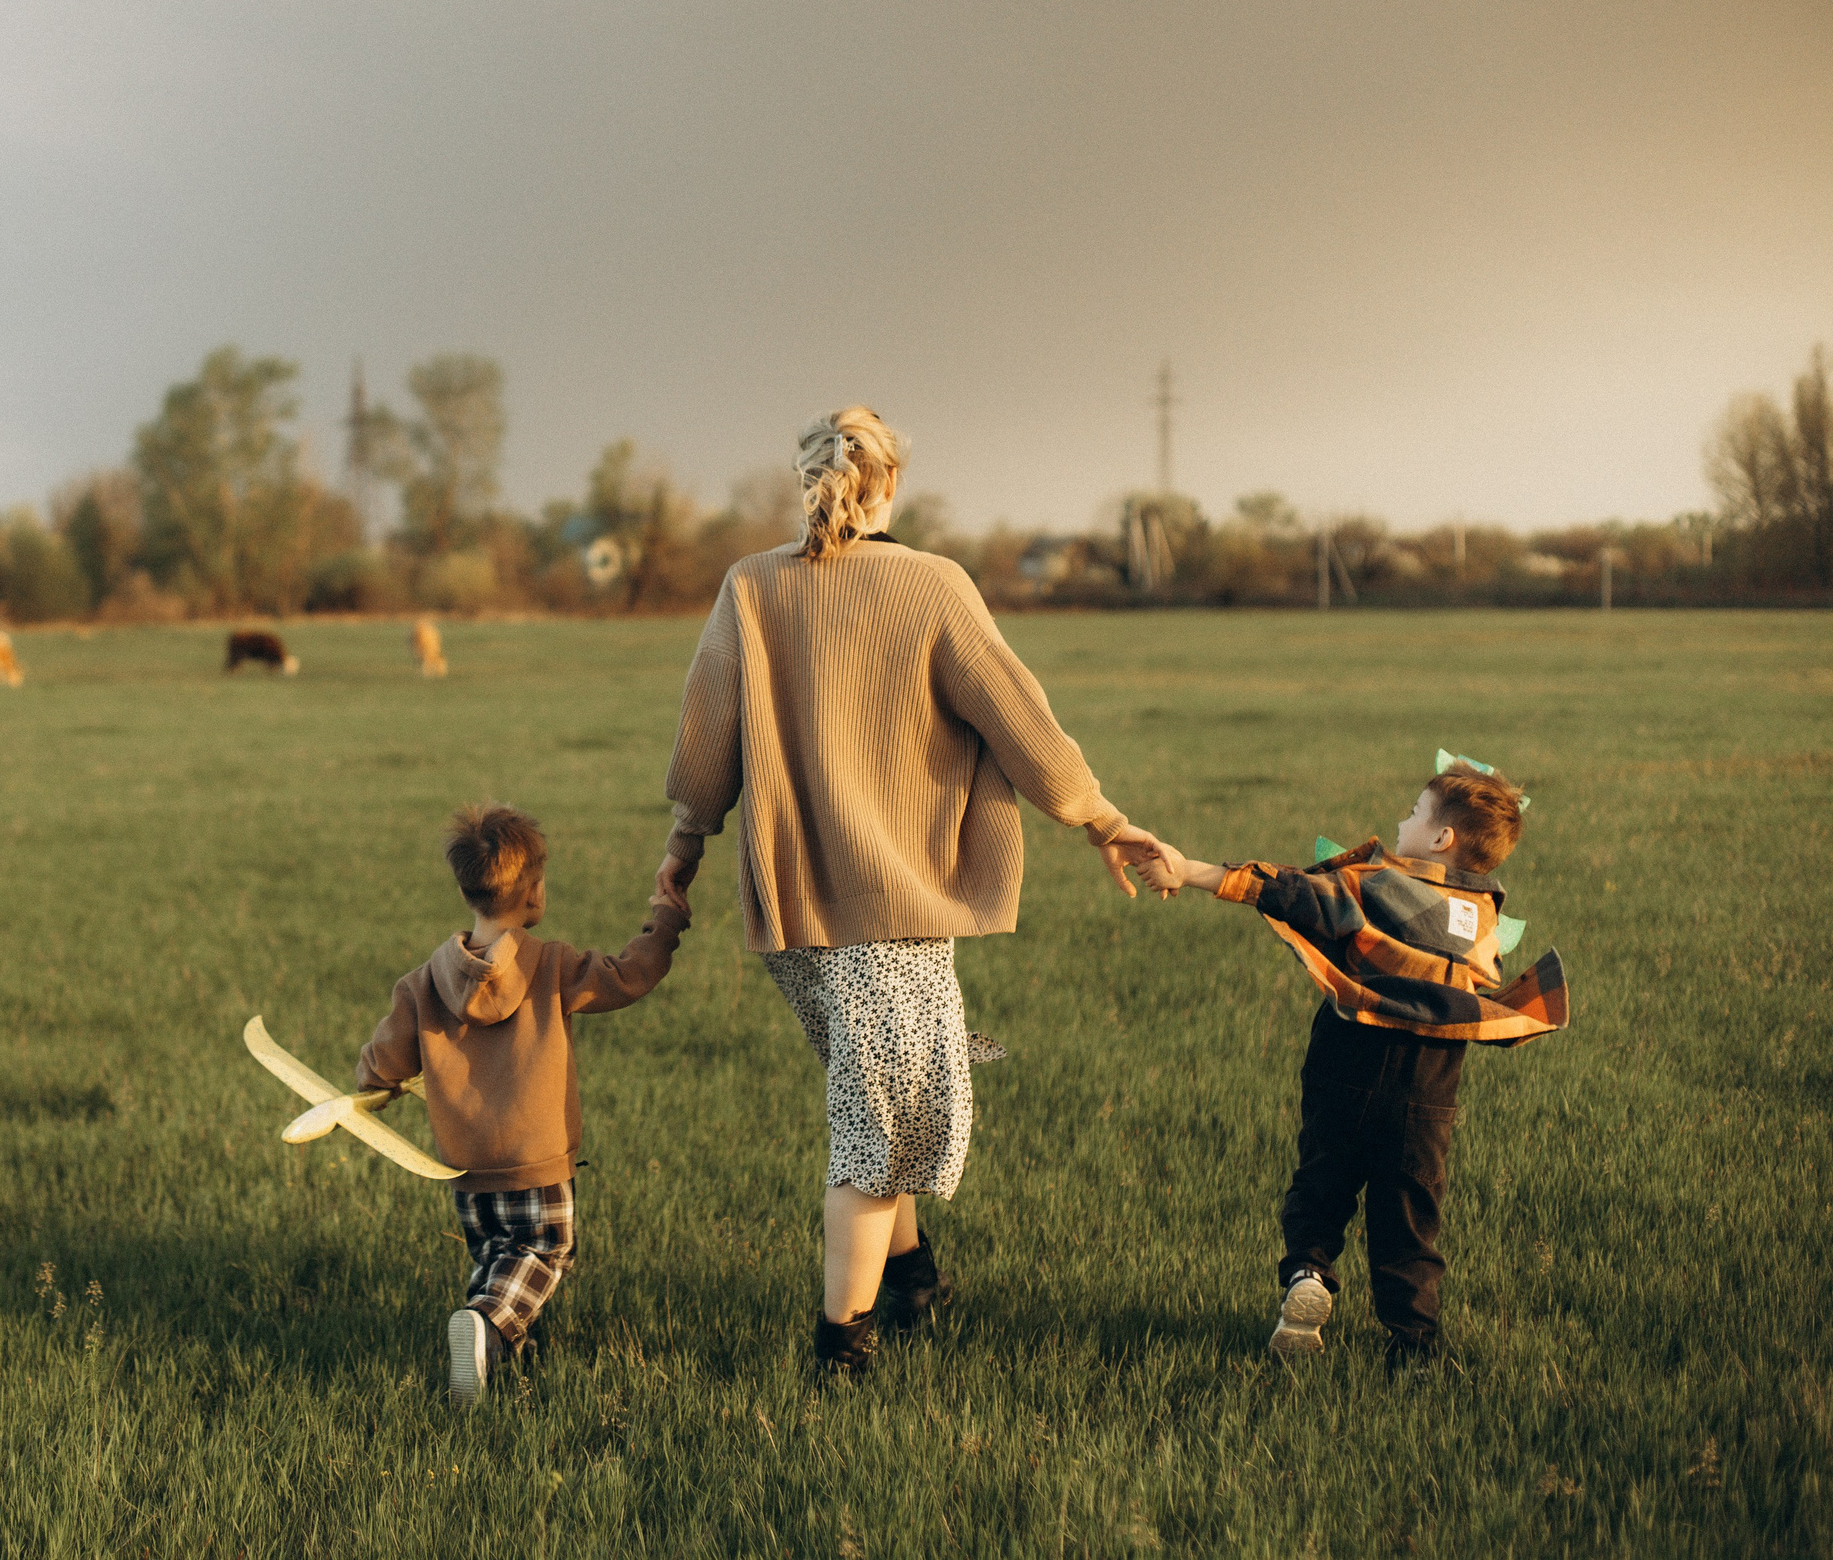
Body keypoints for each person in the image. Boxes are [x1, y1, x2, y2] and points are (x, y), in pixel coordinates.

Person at [655, 407, 1166, 1376]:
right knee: (881, 1132)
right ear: (892, 484)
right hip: (888, 909)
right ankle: (838, 1350)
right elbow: (1020, 721)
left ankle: (913, 1275)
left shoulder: (750, 586)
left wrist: (681, 847)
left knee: (877, 1101)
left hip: (791, 910)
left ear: (803, 481)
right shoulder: (932, 586)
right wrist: (1100, 818)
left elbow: (704, 737)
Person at [1137, 760, 1567, 1374]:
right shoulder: (1484, 927)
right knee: (1410, 1215)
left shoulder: (1375, 886)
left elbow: (1288, 890)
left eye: (1415, 813)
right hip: (1425, 1093)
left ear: (1442, 839)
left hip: (1343, 1068)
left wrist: (1191, 870)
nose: (1402, 821)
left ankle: (1308, 1272)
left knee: (1321, 1182)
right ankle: (1414, 1348)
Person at [358, 803, 689, 1408]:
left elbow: (384, 1063)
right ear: (533, 890)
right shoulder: (552, 965)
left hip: (464, 1167)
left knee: (494, 1254)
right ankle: (483, 1327)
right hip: (534, 1159)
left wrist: (370, 1087)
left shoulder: (422, 984)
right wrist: (663, 924)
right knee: (541, 1252)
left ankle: (496, 1352)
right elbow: (628, 976)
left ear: (469, 891)